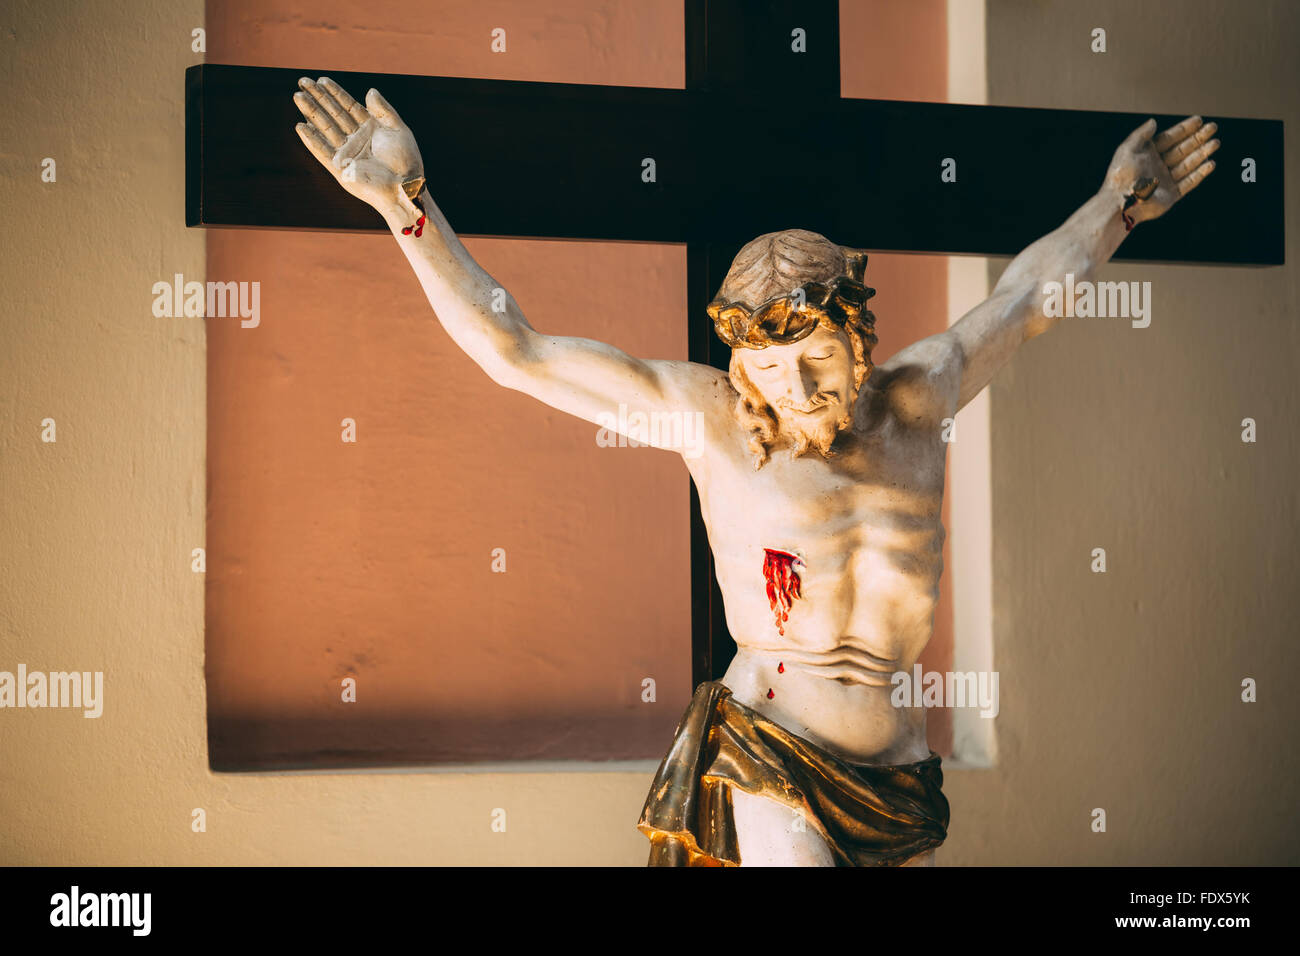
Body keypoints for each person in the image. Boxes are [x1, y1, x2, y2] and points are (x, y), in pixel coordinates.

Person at [292, 76, 1217, 866]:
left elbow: (1026, 297)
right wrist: (405, 206)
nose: (796, 390)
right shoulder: (712, 420)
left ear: (860, 339)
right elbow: (517, 352)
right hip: (767, 747)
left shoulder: (921, 396)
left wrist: (1119, 203)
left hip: (897, 775)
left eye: (815, 359)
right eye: (768, 373)